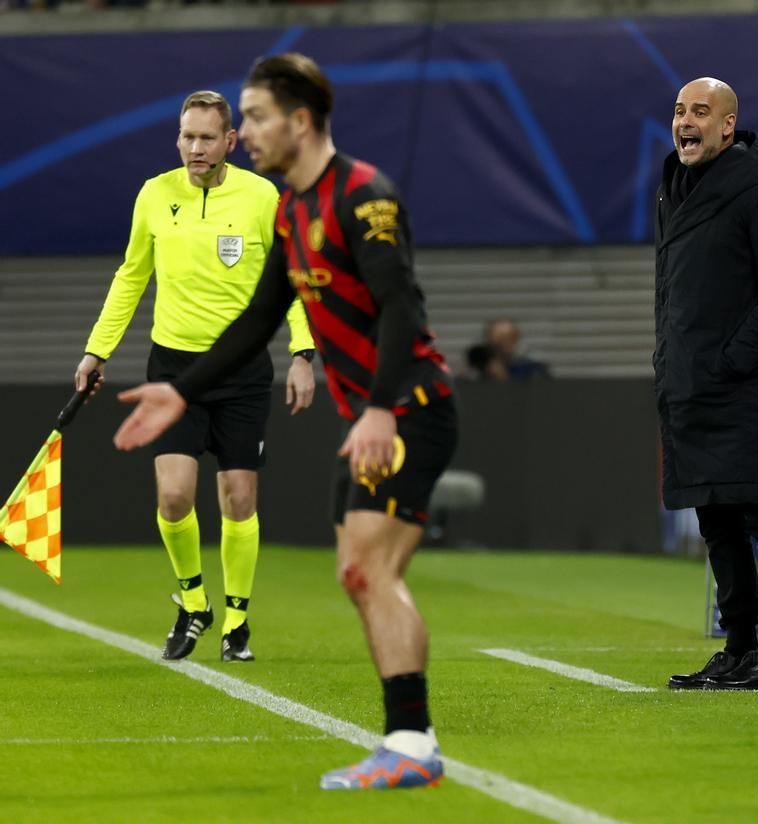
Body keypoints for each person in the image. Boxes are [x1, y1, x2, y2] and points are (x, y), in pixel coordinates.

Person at [112, 53, 456, 791]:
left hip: (410, 408)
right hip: (380, 412)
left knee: (372, 570)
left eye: (258, 116)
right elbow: (256, 321)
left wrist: (376, 409)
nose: (247, 132)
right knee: (361, 573)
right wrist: (181, 390)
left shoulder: (363, 196)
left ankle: (412, 743)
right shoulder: (293, 208)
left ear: (300, 121)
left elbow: (402, 310)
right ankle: (409, 741)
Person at [75, 90, 316, 664]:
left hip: (243, 369)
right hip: (175, 372)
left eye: (207, 138)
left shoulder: (262, 196)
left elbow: (294, 278)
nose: (195, 148)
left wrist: (303, 353)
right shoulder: (156, 195)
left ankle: (236, 621)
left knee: (238, 498)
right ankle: (193, 603)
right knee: (175, 497)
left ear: (231, 141)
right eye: (187, 136)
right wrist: (96, 351)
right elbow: (131, 276)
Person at [655, 77, 758, 692]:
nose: (685, 122)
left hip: (749, 388)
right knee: (717, 523)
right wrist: (673, 367)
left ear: (728, 125)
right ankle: (739, 646)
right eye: (678, 111)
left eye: (700, 112)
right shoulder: (672, 186)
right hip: (689, 387)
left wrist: (730, 362)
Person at [483, 317, 550, 380]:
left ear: (516, 339)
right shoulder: (481, 369)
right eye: (499, 339)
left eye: (509, 337)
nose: (504, 343)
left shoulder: (531, 368)